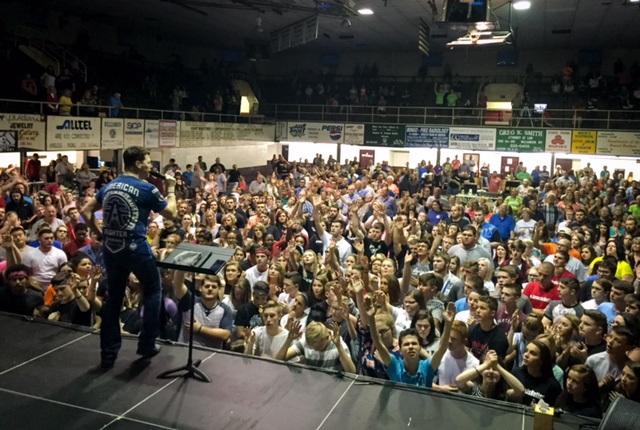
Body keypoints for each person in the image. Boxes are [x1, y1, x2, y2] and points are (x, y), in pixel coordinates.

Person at [81, 146, 177, 369]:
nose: (151, 166)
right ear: (137, 164)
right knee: (153, 288)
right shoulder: (147, 188)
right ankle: (146, 344)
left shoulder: (109, 186)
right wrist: (170, 189)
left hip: (112, 249)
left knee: (113, 298)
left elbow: (86, 212)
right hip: (136, 248)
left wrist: (99, 233)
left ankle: (108, 353)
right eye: (148, 162)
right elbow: (172, 213)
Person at [368, 297, 455, 388]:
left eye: (414, 343)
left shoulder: (427, 367)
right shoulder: (394, 366)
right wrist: (371, 318)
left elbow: (442, 348)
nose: (410, 347)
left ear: (420, 347)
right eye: (406, 344)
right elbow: (378, 343)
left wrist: (448, 324)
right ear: (400, 349)